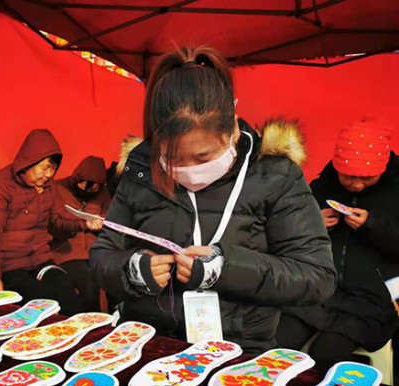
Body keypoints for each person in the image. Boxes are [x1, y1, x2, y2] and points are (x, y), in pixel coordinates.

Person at [89, 46, 337, 354]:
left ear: (232, 126)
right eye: (173, 157)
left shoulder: (275, 174)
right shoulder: (140, 170)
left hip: (238, 353)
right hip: (150, 347)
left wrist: (226, 267)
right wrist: (133, 271)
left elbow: (317, 277)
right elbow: (102, 255)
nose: (190, 169)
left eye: (203, 156)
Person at [277, 119, 399, 370]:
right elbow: (285, 233)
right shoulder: (322, 185)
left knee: (327, 354)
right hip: (317, 291)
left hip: (372, 301)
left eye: (367, 178)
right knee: (280, 343)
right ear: (336, 165)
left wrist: (373, 226)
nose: (356, 184)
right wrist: (312, 222)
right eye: (348, 176)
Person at [0, 129, 89, 315]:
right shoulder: (0, 185)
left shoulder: (48, 187)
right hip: (9, 265)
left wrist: (83, 224)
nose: (49, 174)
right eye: (44, 168)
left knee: (68, 295)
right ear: (29, 162)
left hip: (40, 260)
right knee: (43, 302)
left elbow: (58, 220)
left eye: (53, 169)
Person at [50, 155, 111, 311]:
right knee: (88, 279)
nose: (91, 190)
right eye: (87, 185)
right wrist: (81, 224)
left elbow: (112, 221)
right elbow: (53, 222)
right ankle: (92, 322)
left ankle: (109, 317)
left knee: (110, 274)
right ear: (77, 178)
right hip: (66, 250)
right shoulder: (58, 188)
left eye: (96, 187)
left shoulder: (103, 194)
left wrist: (102, 223)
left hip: (95, 249)